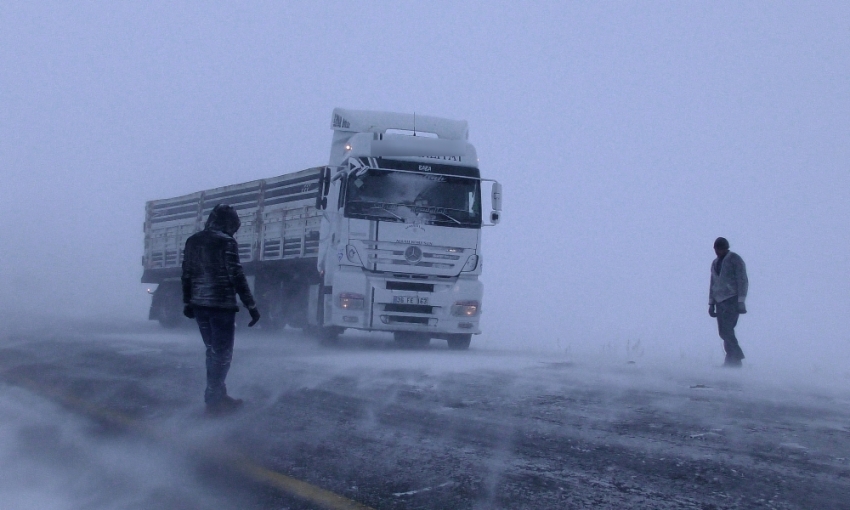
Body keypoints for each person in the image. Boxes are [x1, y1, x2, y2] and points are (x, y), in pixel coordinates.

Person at [181, 204, 261, 414]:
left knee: (212, 351)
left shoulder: (193, 241)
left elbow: (187, 273)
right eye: (234, 226)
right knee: (222, 354)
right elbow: (236, 275)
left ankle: (215, 396)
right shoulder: (226, 242)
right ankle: (215, 400)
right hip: (221, 306)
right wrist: (251, 306)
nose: (234, 231)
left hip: (200, 305)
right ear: (229, 223)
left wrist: (188, 301)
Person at [708, 237, 748, 367]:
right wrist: (711, 303)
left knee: (727, 330)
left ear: (726, 248)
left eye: (720, 249)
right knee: (723, 332)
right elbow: (713, 283)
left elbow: (742, 280)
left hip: (732, 299)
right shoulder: (714, 263)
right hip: (719, 300)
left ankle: (735, 359)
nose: (718, 251)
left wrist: (741, 301)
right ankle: (732, 359)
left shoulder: (735, 259)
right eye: (716, 249)